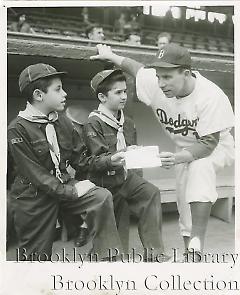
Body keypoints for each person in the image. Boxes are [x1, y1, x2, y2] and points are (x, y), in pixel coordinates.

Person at [90, 44, 235, 261]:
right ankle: (191, 256)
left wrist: (178, 159)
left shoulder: (211, 96)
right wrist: (111, 56)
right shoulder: (157, 83)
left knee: (200, 167)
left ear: (186, 73)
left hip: (216, 146)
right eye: (158, 76)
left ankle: (197, 243)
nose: (161, 83)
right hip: (183, 147)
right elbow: (136, 68)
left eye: (167, 76)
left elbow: (208, 143)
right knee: (184, 202)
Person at [8, 63, 123, 261]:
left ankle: (103, 262)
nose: (65, 94)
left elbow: (81, 160)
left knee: (101, 197)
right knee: (35, 259)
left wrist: (109, 160)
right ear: (38, 95)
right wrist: (73, 190)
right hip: (33, 197)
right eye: (58, 89)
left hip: (62, 186)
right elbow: (37, 176)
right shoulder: (17, 130)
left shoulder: (63, 122)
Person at [84, 69, 170, 262]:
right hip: (104, 182)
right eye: (118, 92)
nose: (124, 96)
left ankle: (155, 253)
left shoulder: (128, 122)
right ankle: (102, 257)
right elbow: (92, 162)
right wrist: (112, 159)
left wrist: (145, 159)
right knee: (112, 245)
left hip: (126, 178)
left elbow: (133, 154)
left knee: (150, 192)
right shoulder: (94, 123)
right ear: (102, 97)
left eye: (125, 91)